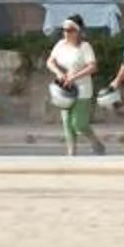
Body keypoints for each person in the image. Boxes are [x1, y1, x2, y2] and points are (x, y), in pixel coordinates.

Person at [45, 14, 105, 157]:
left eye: (70, 30)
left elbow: (92, 67)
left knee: (79, 123)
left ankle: (95, 141)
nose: (66, 33)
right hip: (64, 89)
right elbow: (50, 62)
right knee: (66, 122)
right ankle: (71, 152)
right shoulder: (60, 45)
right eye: (64, 29)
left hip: (82, 89)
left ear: (78, 31)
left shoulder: (85, 47)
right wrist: (59, 73)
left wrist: (74, 77)